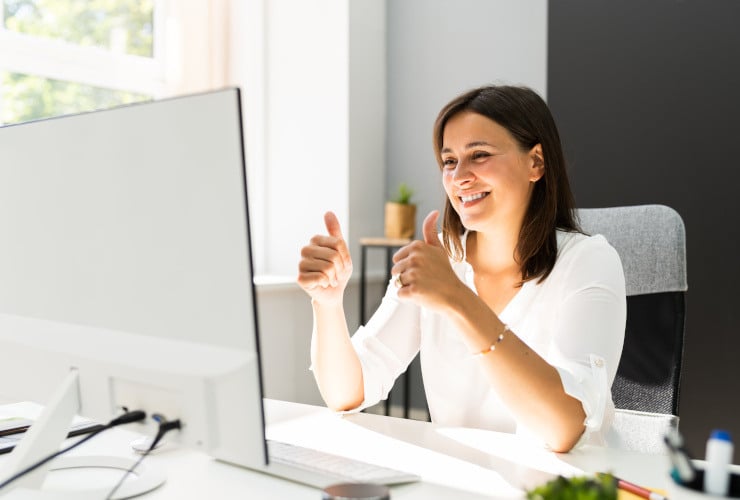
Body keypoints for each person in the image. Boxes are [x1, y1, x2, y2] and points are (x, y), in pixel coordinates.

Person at [297, 85, 625, 453]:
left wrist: (456, 298)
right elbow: (348, 392)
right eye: (449, 161)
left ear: (536, 163)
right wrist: (326, 304)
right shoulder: (439, 261)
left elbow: (565, 427)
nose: (458, 177)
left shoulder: (589, 262)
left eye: (479, 155)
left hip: (565, 487)